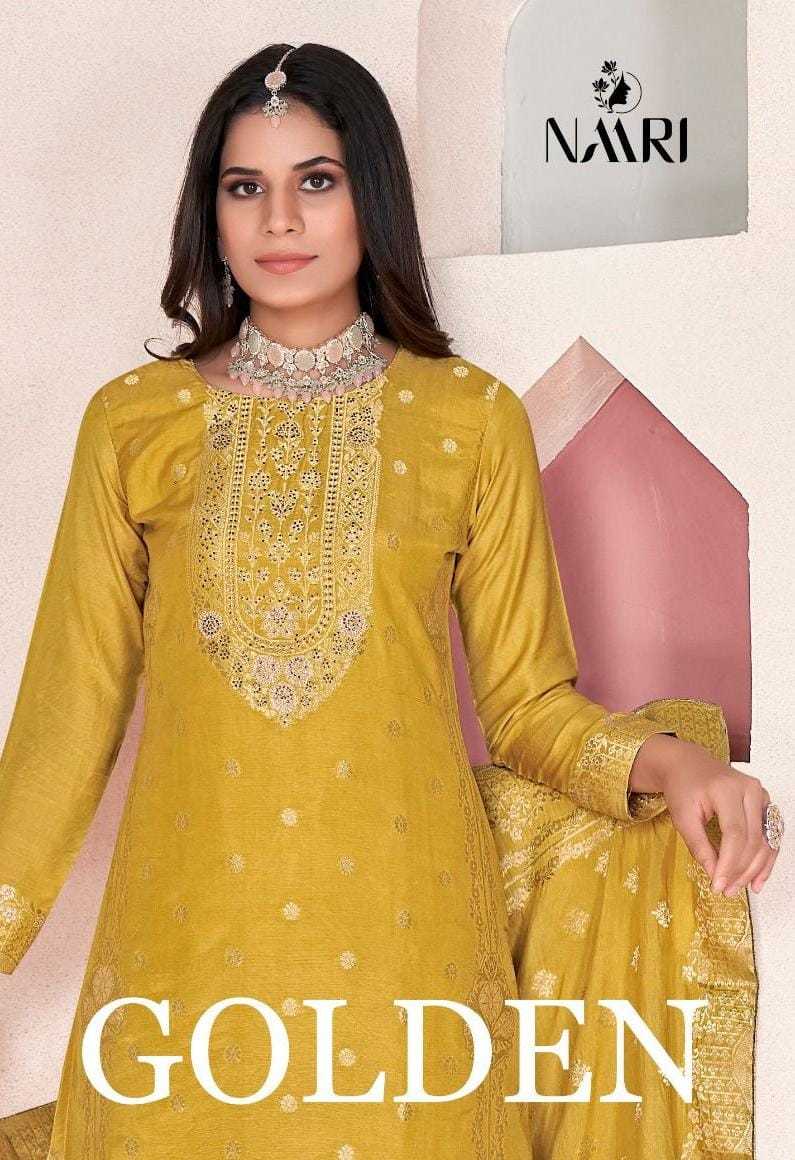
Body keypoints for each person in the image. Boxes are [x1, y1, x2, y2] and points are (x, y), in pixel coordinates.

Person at [0, 41, 780, 1159]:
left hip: (408, 955)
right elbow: (65, 722)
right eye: (244, 186)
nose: (279, 220)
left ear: (372, 194)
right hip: (183, 951)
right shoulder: (132, 424)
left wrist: (673, 765)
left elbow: (528, 707)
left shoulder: (469, 420)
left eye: (316, 180)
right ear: (208, 212)